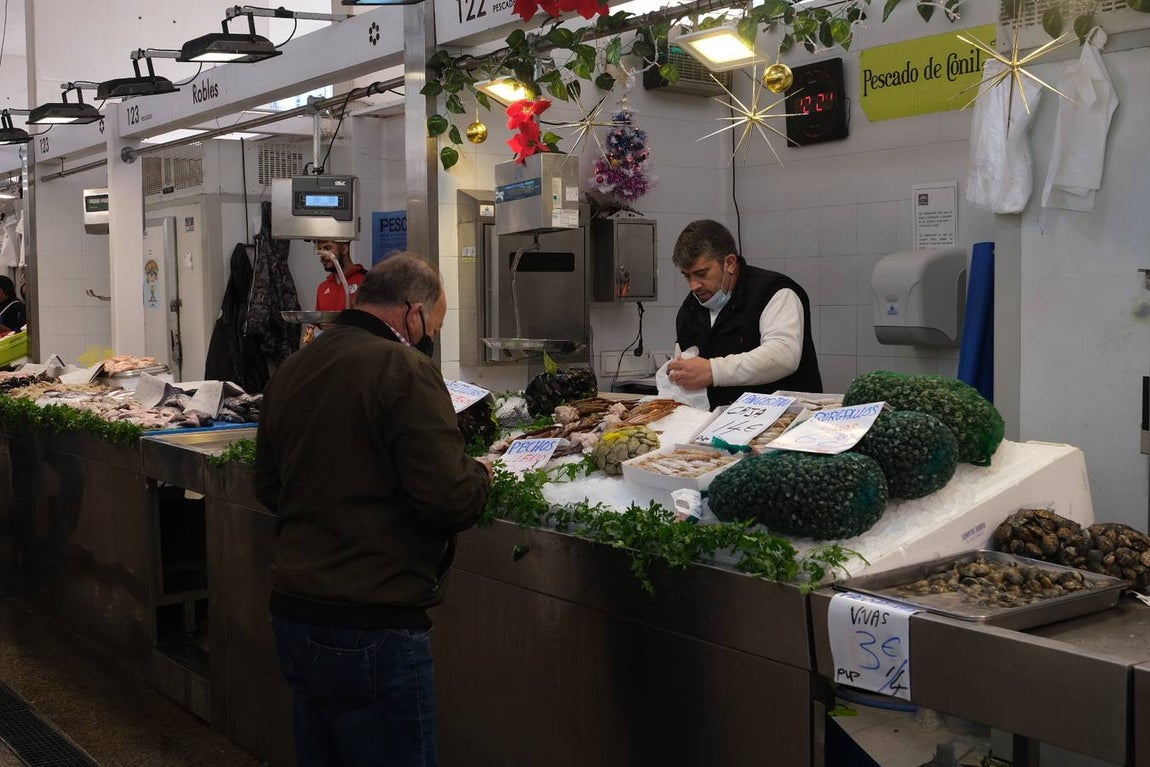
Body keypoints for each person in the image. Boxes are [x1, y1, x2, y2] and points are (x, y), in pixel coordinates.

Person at [255, 253, 492, 767]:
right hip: (372, 624)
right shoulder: (404, 368)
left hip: (295, 613)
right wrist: (482, 474)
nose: (431, 336)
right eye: (434, 324)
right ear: (412, 313)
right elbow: (448, 497)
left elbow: (270, 486)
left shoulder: (295, 366)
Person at [666, 219, 821, 408]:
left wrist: (713, 371)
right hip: (719, 427)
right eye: (687, 276)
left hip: (784, 424)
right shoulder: (690, 309)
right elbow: (685, 370)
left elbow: (783, 355)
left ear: (729, 263)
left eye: (701, 274)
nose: (694, 286)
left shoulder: (774, 293)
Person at [314, 239, 366, 311]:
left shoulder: (366, 281)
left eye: (327, 248)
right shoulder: (323, 287)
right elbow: (318, 321)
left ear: (344, 249)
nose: (322, 255)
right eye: (319, 250)